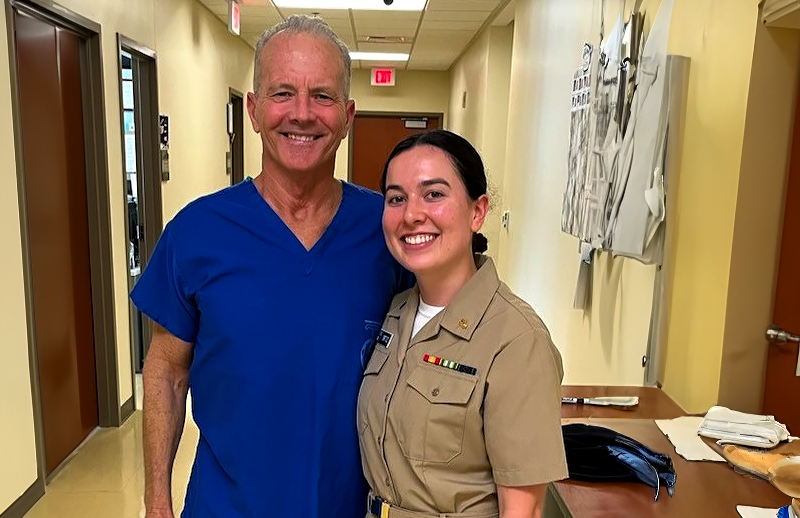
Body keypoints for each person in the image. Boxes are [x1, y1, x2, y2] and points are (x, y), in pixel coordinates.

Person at [130, 15, 410, 518]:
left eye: (322, 96)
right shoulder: (197, 233)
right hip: (224, 506)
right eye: (283, 93)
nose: (302, 114)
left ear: (347, 116)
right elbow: (167, 370)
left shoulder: (386, 231)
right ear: (254, 110)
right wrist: (156, 501)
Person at [358, 130, 568, 518]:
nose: (411, 214)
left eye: (434, 194)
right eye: (396, 198)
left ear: (477, 211)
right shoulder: (395, 313)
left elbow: (525, 511)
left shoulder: (516, 340)